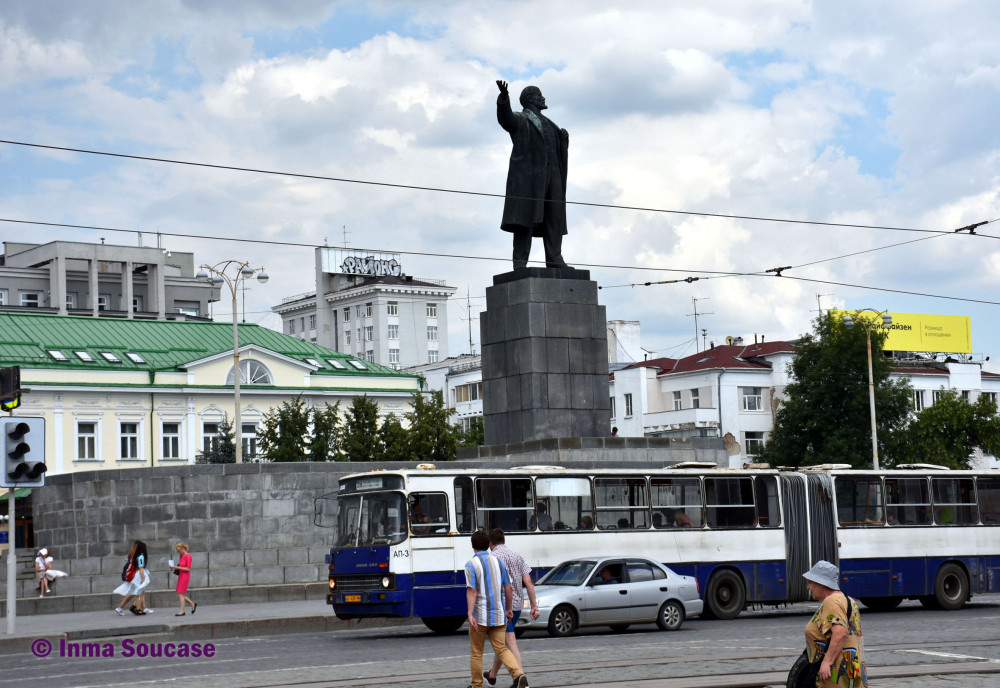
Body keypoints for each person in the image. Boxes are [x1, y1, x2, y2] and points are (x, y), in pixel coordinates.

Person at [496, 79, 569, 270]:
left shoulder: (551, 124)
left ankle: (554, 258)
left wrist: (563, 141)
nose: (543, 97)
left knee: (554, 217)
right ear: (529, 99)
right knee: (525, 219)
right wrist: (504, 99)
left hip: (554, 175)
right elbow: (506, 119)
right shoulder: (522, 119)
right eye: (539, 95)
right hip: (530, 178)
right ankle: (520, 262)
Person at [464, 530, 528, 688]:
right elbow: (509, 588)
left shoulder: (471, 565)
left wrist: (470, 613)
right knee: (502, 648)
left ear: (473, 546)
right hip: (499, 615)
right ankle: (518, 674)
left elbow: (472, 591)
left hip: (481, 616)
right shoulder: (499, 562)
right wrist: (508, 609)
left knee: (477, 652)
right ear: (488, 545)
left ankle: (477, 685)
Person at [483, 529, 540, 687]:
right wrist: (534, 605)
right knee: (503, 643)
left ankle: (521, 679)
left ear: (490, 543)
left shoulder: (492, 558)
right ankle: (492, 675)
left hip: (502, 607)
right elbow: (528, 582)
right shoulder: (517, 556)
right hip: (517, 606)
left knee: (510, 642)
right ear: (504, 540)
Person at [801, 560, 868, 688]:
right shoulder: (848, 600)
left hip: (835, 674)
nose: (808, 587)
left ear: (821, 583)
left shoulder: (832, 601)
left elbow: (840, 633)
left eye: (811, 582)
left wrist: (827, 662)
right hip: (850, 671)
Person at [113, 540, 150, 616]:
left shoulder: (132, 555)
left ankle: (123, 608)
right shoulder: (141, 556)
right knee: (139, 592)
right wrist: (143, 578)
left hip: (134, 575)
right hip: (138, 576)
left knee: (136, 593)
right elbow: (141, 568)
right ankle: (137, 609)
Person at [173, 542, 197, 616]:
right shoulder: (182, 556)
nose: (178, 552)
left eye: (179, 551)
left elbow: (188, 568)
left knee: (180, 594)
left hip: (185, 576)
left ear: (183, 549)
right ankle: (192, 604)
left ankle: (182, 610)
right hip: (181, 575)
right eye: (177, 551)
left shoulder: (188, 556)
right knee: (180, 594)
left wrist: (177, 567)